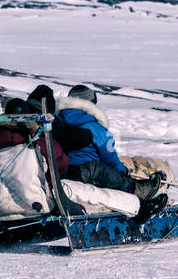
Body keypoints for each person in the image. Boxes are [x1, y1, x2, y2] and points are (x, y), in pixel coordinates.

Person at [56, 85, 167, 220]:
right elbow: (110, 159)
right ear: (92, 105)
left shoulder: (56, 124)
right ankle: (139, 193)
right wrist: (123, 171)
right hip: (87, 172)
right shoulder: (97, 129)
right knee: (111, 175)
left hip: (62, 172)